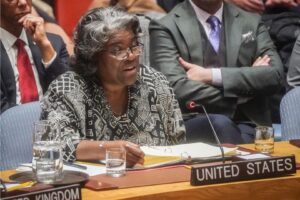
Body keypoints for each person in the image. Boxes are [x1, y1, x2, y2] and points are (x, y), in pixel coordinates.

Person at [40, 7, 186, 167]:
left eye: (134, 45)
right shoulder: (67, 88)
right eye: (117, 50)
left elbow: (178, 145)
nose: (131, 56)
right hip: (96, 187)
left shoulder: (155, 82)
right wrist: (109, 149)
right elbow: (52, 146)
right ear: (93, 56)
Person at [149, 0, 284, 143]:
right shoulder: (166, 26)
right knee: (222, 126)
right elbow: (175, 89)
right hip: (194, 121)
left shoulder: (251, 21)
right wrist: (243, 93)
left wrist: (212, 76)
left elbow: (274, 75)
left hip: (249, 121)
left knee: (238, 138)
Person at [0, 0, 69, 114]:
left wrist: (45, 47)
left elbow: (71, 97)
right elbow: (2, 113)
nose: (23, 2)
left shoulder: (54, 43)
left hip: (56, 126)